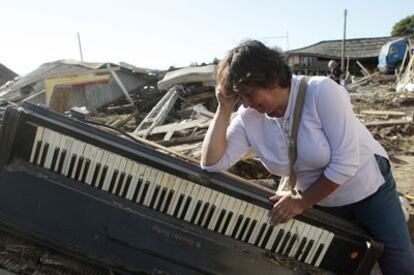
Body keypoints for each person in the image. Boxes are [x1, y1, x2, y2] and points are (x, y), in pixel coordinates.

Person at [200, 40, 414, 274]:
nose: (248, 104)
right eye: (241, 98)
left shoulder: (321, 91)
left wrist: (302, 201)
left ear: (270, 78)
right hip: (322, 198)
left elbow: (346, 162)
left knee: (397, 261)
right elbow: (212, 164)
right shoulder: (248, 117)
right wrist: (224, 107)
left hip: (366, 185)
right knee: (339, 263)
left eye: (250, 94)